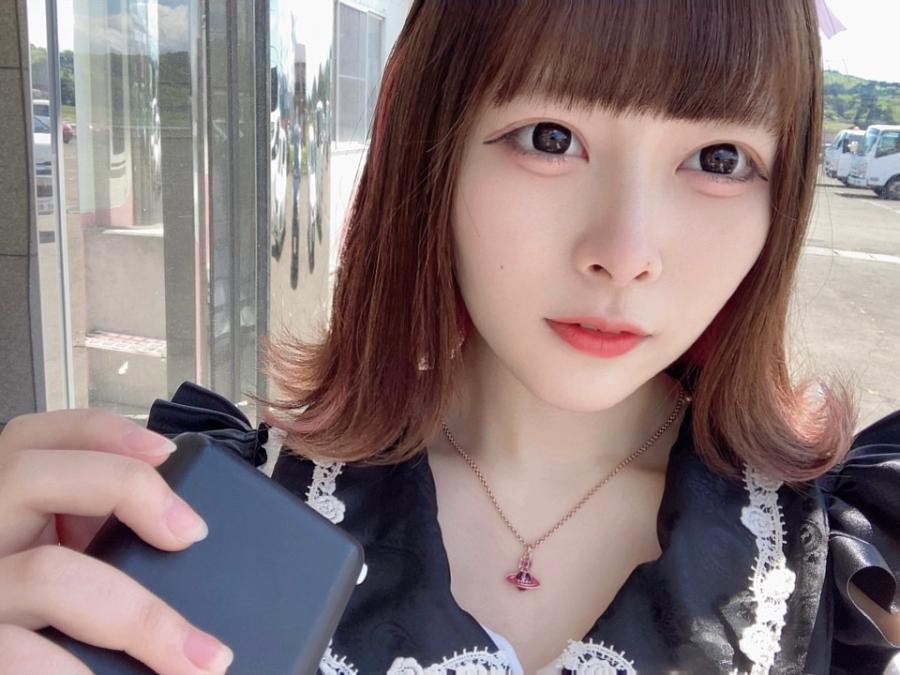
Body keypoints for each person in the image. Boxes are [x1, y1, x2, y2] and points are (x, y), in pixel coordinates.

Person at [1, 1, 898, 673]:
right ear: (431, 153)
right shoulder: (222, 516)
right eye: (551, 137)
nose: (626, 253)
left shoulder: (838, 564)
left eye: (718, 159)